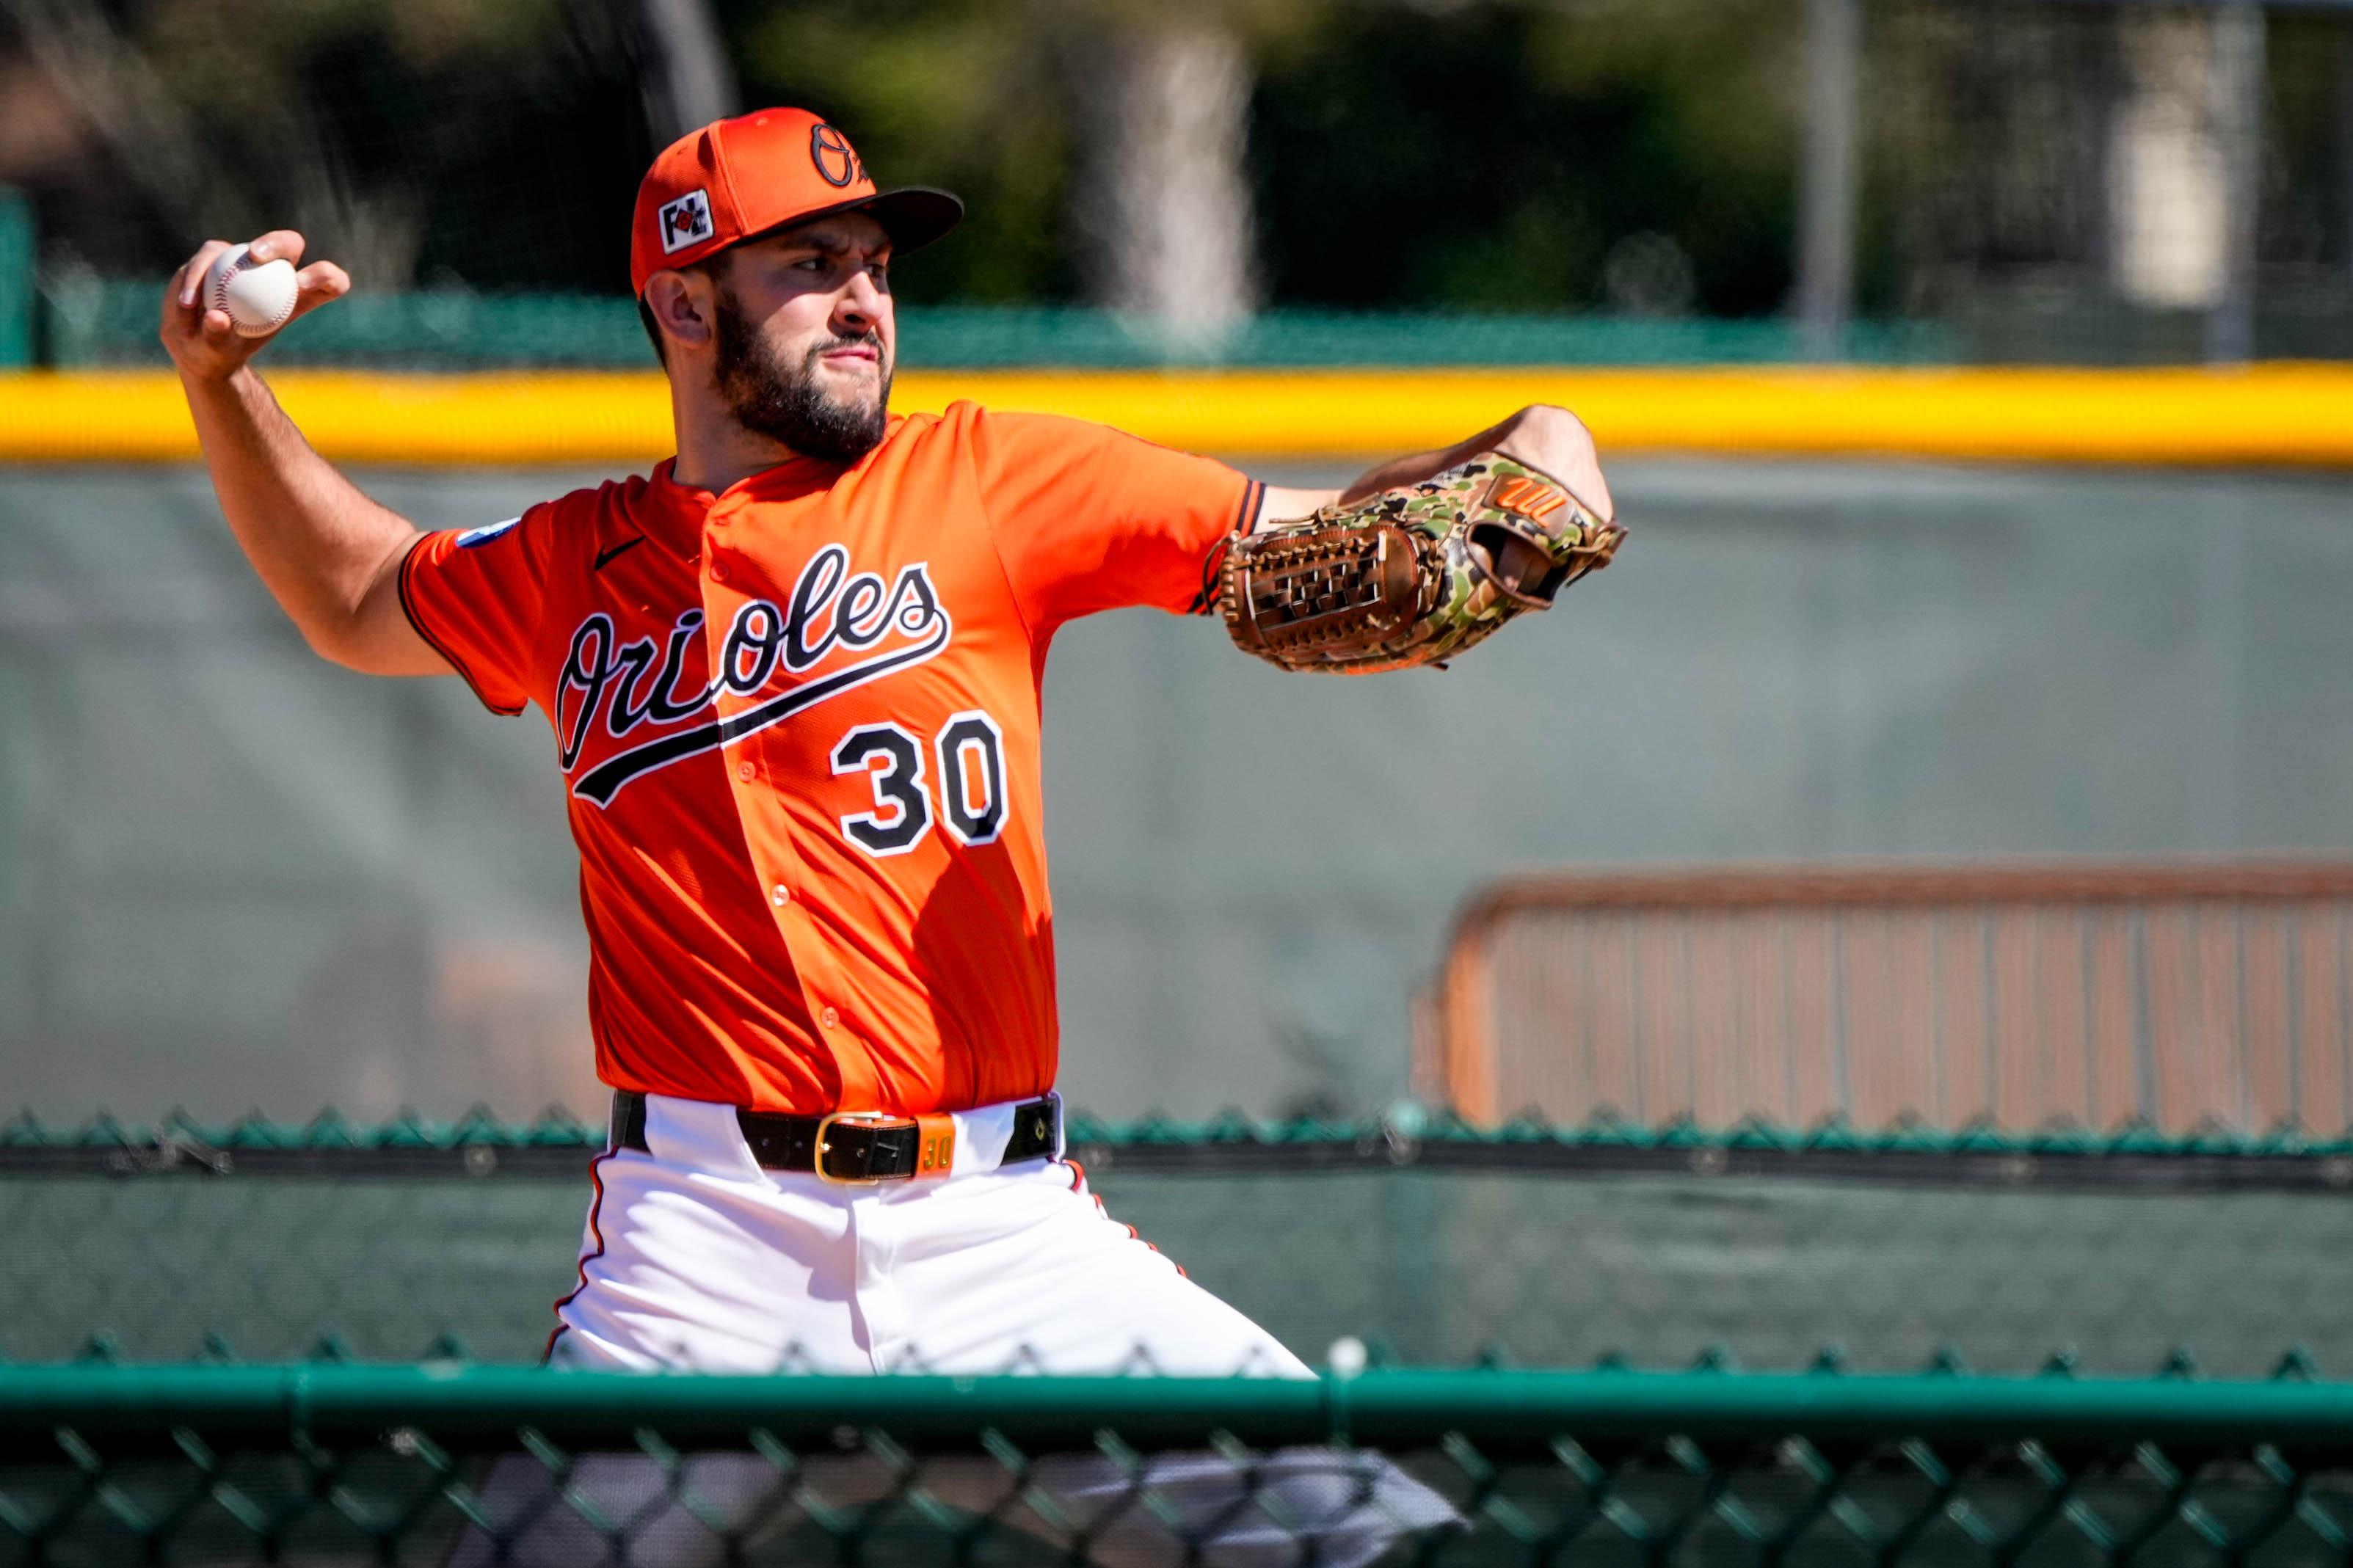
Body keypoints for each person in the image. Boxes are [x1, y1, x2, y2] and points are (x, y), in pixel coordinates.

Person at [161, 107, 1615, 1562]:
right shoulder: (570, 562)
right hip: (703, 1235)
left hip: (1002, 1225)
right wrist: (221, 386)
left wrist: (1523, 451)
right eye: (809, 264)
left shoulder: (990, 478)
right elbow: (355, 594)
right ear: (683, 305)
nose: (864, 298)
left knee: (1371, 1536)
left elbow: (1325, 531)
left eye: (876, 263)